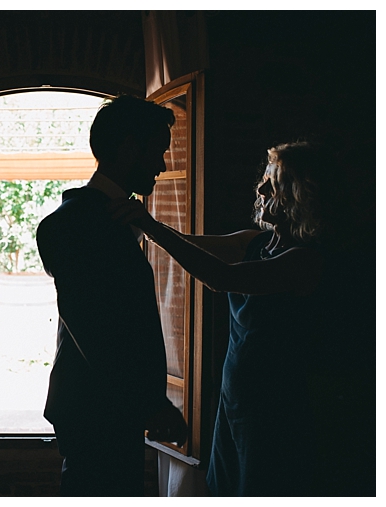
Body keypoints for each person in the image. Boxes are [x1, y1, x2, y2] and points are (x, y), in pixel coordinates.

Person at [110, 141, 334, 496]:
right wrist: (148, 228)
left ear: (298, 194)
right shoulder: (256, 242)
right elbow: (188, 243)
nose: (261, 189)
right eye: (264, 180)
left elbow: (220, 277)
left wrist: (150, 226)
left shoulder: (304, 260)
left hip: (275, 406)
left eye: (273, 182)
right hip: (235, 400)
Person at [36, 95, 188, 497]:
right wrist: (151, 403)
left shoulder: (121, 218)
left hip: (110, 407)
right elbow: (95, 331)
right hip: (95, 408)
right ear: (129, 148)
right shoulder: (67, 226)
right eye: (157, 151)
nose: (162, 165)